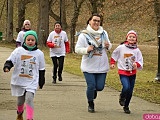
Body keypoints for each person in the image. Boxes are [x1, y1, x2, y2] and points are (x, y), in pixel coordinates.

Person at [3, 30, 45, 120]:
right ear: (25, 40)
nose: (30, 42)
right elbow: (11, 60)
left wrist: (41, 81)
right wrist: (7, 67)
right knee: (20, 101)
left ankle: (30, 118)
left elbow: (42, 69)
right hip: (20, 80)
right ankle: (19, 113)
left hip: (32, 81)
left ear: (35, 41)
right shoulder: (18, 51)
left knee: (29, 98)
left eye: (32, 40)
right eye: (28, 40)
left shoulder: (39, 54)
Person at [75, 13, 112, 113]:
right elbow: (77, 49)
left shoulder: (104, 33)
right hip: (89, 66)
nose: (96, 22)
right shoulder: (84, 35)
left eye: (98, 21)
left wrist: (108, 45)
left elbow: (109, 46)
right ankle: (90, 103)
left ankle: (94, 91)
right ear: (89, 21)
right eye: (94, 20)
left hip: (101, 65)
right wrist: (87, 49)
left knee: (100, 87)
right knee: (91, 85)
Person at [110, 30, 143, 114]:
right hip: (123, 71)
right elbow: (114, 54)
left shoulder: (137, 50)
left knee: (130, 91)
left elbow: (140, 60)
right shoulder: (121, 47)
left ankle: (126, 106)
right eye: (130, 36)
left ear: (136, 39)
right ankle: (122, 97)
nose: (131, 38)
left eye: (133, 37)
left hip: (132, 73)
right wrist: (113, 63)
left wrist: (137, 64)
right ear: (127, 38)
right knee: (126, 87)